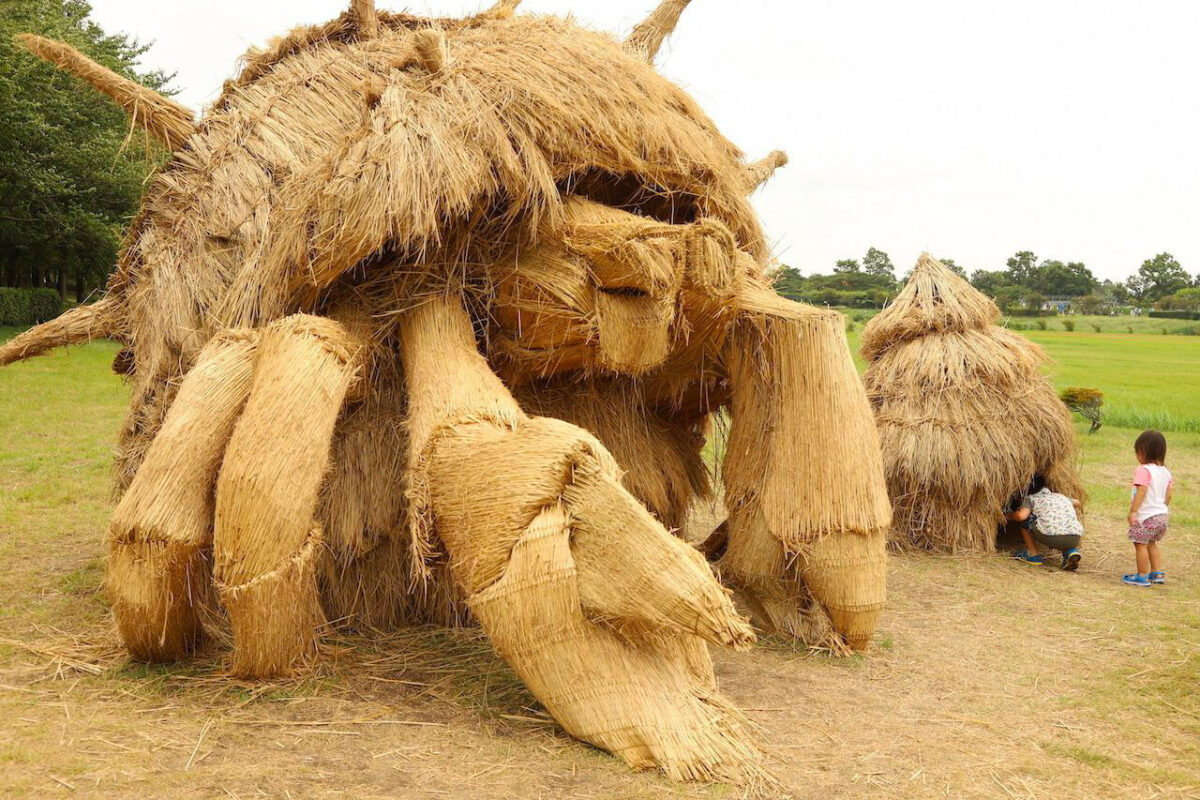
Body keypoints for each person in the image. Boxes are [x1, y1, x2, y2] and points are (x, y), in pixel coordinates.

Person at [1124, 430, 1173, 587]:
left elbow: (1142, 490)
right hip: (1162, 516)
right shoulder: (1166, 472)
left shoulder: (1143, 470)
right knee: (1152, 543)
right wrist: (1161, 507)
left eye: (1137, 451)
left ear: (1143, 451)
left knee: (1140, 545)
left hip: (1146, 516)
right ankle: (1157, 572)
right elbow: (1169, 493)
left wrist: (1133, 511)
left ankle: (1142, 575)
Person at [1004, 475, 1084, 570]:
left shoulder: (1031, 498)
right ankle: (1071, 551)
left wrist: (1007, 516)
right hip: (1075, 537)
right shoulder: (1060, 496)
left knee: (1027, 521)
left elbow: (1021, 516)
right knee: (1063, 523)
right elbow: (1077, 502)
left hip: (1052, 536)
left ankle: (1033, 555)